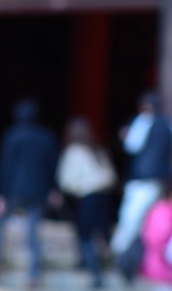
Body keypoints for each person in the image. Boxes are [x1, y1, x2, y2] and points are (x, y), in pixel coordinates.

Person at [0, 99, 60, 288]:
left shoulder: (12, 135)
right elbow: (52, 166)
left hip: (14, 189)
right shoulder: (46, 137)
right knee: (33, 231)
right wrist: (52, 188)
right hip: (38, 191)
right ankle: (33, 273)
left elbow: (4, 166)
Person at [110, 92, 172, 258]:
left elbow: (131, 146)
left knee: (131, 218)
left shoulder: (143, 122)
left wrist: (125, 135)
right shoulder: (170, 125)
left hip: (142, 178)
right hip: (159, 180)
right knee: (150, 220)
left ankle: (120, 253)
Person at [56, 117, 117, 289]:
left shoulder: (74, 151)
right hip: (104, 197)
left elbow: (67, 181)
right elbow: (111, 177)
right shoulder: (97, 150)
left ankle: (94, 273)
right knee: (97, 235)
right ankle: (87, 263)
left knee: (85, 236)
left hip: (87, 197)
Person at [139, 181, 172, 290]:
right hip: (163, 270)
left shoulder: (156, 208)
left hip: (149, 264)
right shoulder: (171, 211)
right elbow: (163, 238)